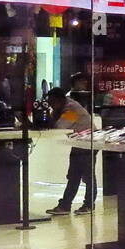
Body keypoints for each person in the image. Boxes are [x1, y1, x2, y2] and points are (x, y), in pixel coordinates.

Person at [45, 86, 96, 215]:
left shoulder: (72, 109)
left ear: (59, 99)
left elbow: (60, 127)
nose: (51, 106)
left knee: (87, 176)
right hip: (79, 142)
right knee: (73, 175)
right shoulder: (64, 107)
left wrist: (51, 115)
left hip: (89, 142)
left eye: (52, 102)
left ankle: (89, 205)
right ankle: (65, 205)